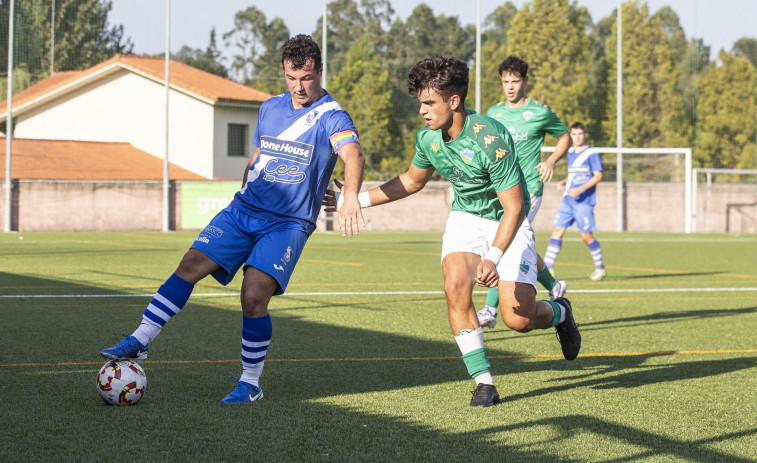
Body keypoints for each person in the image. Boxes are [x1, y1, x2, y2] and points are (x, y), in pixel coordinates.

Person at [100, 34, 366, 403]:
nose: (298, 86)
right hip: (243, 210)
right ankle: (140, 340)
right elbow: (258, 156)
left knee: (253, 295)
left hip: (287, 223)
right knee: (191, 263)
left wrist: (350, 195)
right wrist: (242, 192)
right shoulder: (270, 108)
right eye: (291, 77)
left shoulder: (332, 115)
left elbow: (353, 155)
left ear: (320, 71)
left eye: (306, 77)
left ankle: (250, 383)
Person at [326, 53, 580, 407]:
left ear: (454, 101)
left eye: (429, 103)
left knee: (517, 318)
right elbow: (412, 181)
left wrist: (492, 257)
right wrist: (356, 200)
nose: (422, 111)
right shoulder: (428, 138)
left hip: (507, 219)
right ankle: (484, 381)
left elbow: (515, 207)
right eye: (420, 103)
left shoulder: (490, 138)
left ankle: (561, 312)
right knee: (455, 286)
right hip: (465, 218)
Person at [476, 56, 571, 330]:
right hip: (501, 190)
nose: (509, 87)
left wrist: (551, 160)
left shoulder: (540, 112)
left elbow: (563, 136)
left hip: (529, 189)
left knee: (505, 242)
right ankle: (554, 285)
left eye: (515, 81)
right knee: (517, 244)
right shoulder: (493, 114)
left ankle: (489, 310)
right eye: (505, 81)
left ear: (525, 81)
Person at [544, 122, 606, 280]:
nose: (577, 137)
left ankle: (600, 268)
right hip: (567, 200)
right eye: (574, 134)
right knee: (556, 231)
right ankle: (547, 268)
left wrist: (580, 189)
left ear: (584, 135)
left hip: (584, 201)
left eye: (580, 134)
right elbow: (575, 174)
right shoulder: (570, 152)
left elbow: (598, 176)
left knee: (585, 236)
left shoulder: (591, 153)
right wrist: (564, 182)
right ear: (570, 136)